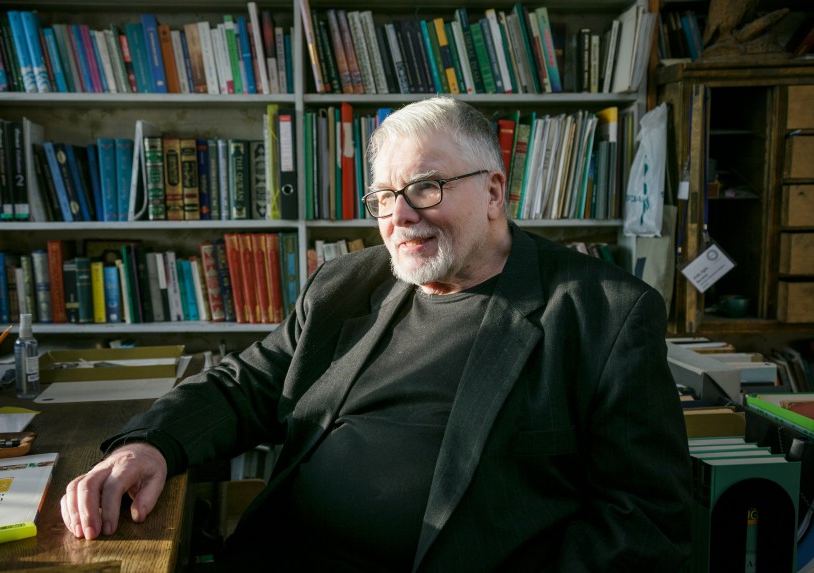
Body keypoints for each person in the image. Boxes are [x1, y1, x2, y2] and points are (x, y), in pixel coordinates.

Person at [62, 96, 692, 571]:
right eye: (385, 196)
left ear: (494, 191)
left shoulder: (604, 313)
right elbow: (243, 384)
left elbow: (645, 520)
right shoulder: (346, 284)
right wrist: (149, 446)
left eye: (426, 187)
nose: (400, 216)